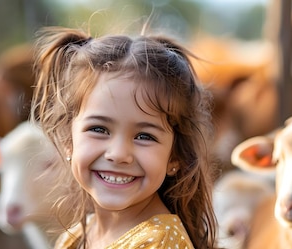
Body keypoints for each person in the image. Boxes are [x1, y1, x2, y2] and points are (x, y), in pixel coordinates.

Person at [30, 26, 218, 249]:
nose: (119, 154)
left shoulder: (161, 243)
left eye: (144, 136)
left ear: (175, 156)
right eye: (99, 130)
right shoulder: (78, 235)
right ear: (68, 140)